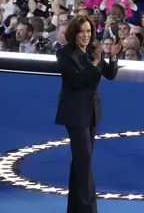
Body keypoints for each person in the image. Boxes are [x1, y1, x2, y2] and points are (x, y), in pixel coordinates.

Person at [55, 15, 122, 213]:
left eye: (89, 31)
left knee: (82, 162)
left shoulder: (93, 51)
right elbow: (76, 81)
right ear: (73, 33)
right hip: (75, 112)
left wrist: (113, 57)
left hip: (92, 112)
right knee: (83, 161)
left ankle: (76, 209)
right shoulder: (64, 54)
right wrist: (94, 63)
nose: (86, 35)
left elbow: (109, 74)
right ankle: (88, 209)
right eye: (82, 31)